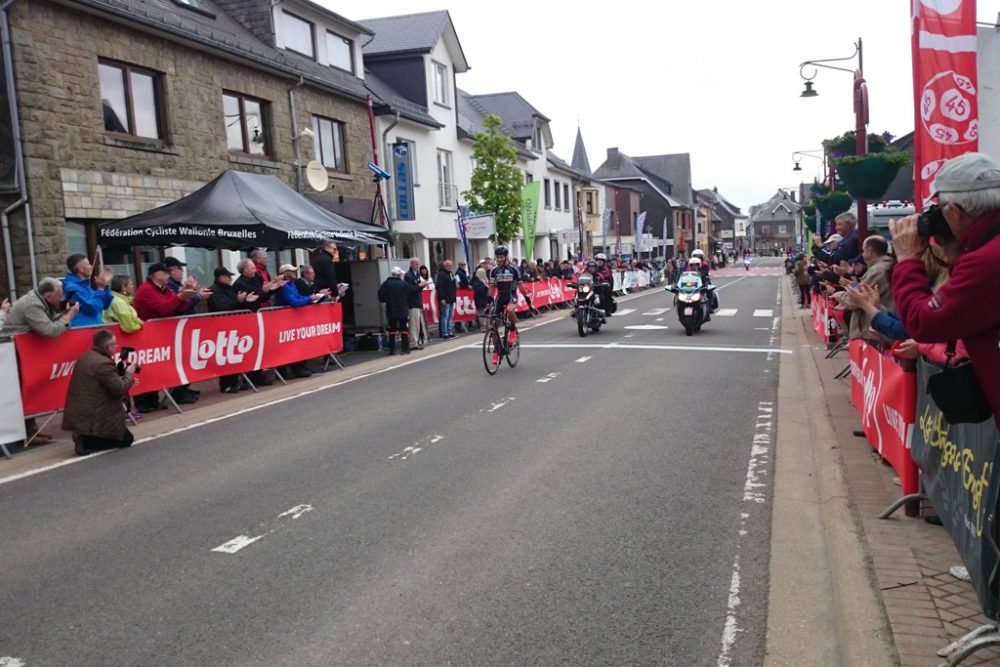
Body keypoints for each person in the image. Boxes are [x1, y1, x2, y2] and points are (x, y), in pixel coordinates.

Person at [890, 151, 1000, 426]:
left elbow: (923, 321)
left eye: (940, 209)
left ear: (954, 211)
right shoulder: (985, 251)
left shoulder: (985, 262)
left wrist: (907, 260)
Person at [4, 277, 81, 443]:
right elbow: (50, 330)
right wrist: (69, 316)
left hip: (24, 352)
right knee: (23, 390)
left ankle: (31, 431)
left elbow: (48, 323)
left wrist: (62, 314)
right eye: (59, 294)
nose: (62, 297)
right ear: (48, 296)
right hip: (13, 353)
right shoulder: (33, 305)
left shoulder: (40, 301)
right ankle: (25, 434)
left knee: (30, 389)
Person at [132, 262, 200, 408]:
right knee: (149, 368)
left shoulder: (165, 288)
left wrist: (185, 295)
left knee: (163, 365)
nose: (168, 275)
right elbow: (163, 308)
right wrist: (180, 296)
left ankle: (157, 399)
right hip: (148, 334)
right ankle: (145, 402)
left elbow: (176, 307)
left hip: (163, 332)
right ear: (156, 275)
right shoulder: (146, 289)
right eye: (165, 273)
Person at [62, 328, 137, 456]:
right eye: (115, 344)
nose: (116, 347)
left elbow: (103, 384)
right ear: (108, 347)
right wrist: (129, 374)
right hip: (95, 413)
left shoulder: (85, 357)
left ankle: (85, 436)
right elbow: (118, 389)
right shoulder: (103, 363)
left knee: (120, 436)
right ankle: (87, 441)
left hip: (82, 411)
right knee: (126, 440)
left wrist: (127, 381)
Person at [208, 266, 259, 393]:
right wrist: (238, 301)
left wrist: (245, 301)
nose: (230, 279)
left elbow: (235, 305)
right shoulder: (213, 290)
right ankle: (226, 385)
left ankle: (236, 381)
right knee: (225, 357)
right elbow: (222, 307)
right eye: (228, 276)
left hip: (233, 326)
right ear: (221, 277)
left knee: (235, 355)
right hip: (221, 327)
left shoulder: (230, 289)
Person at [63, 253, 113, 327]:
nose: (91, 266)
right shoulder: (72, 288)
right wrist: (100, 289)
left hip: (93, 328)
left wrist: (104, 286)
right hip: (82, 331)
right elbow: (92, 309)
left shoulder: (85, 286)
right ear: (81, 269)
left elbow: (105, 305)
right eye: (88, 264)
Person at [378, 266, 417, 355]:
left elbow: (381, 298)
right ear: (399, 275)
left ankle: (392, 348)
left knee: (392, 329)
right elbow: (411, 291)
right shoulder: (403, 284)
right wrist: (419, 286)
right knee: (404, 329)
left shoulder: (385, 284)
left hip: (391, 309)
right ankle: (405, 348)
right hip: (402, 309)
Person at [488, 245, 522, 343]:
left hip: (511, 295)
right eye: (497, 257)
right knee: (493, 323)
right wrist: (489, 300)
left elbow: (520, 285)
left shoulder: (514, 269)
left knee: (510, 309)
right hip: (500, 296)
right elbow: (491, 286)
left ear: (506, 257)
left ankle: (512, 329)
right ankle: (496, 350)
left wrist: (527, 298)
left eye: (501, 257)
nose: (499, 259)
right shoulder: (494, 270)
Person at [404, 257, 430, 349]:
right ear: (411, 264)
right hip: (413, 302)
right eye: (416, 264)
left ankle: (415, 341)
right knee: (414, 323)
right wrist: (419, 285)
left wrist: (422, 285)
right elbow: (409, 290)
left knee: (417, 323)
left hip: (417, 301)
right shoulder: (408, 275)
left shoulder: (416, 274)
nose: (418, 266)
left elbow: (417, 288)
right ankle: (413, 343)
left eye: (418, 264)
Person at [435, 259, 457, 338]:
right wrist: (442, 298)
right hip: (446, 298)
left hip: (451, 298)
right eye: (449, 266)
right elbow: (439, 286)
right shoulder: (441, 274)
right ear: (445, 266)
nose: (450, 267)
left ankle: (449, 330)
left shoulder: (451, 274)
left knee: (450, 316)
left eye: (451, 265)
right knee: (445, 315)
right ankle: (444, 332)